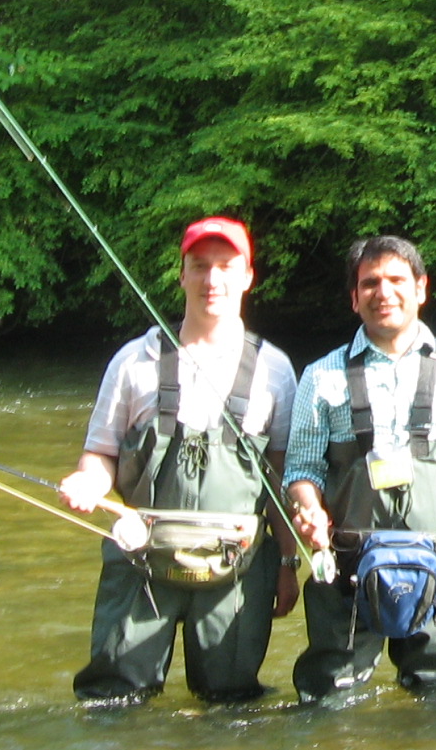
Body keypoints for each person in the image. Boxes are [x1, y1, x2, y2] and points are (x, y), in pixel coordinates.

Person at [58, 217, 300, 705]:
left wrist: (289, 562)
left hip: (237, 563)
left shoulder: (276, 369)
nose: (214, 280)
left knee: (233, 707)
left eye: (227, 267)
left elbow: (279, 479)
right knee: (112, 703)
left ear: (248, 276)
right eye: (200, 267)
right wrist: (89, 482)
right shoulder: (133, 360)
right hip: (140, 559)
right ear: (182, 275)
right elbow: (100, 454)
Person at [283, 235, 436, 700]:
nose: (383, 292)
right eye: (369, 283)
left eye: (396, 280)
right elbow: (300, 471)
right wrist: (308, 509)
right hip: (345, 569)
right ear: (354, 298)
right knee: (328, 702)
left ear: (421, 288)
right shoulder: (320, 376)